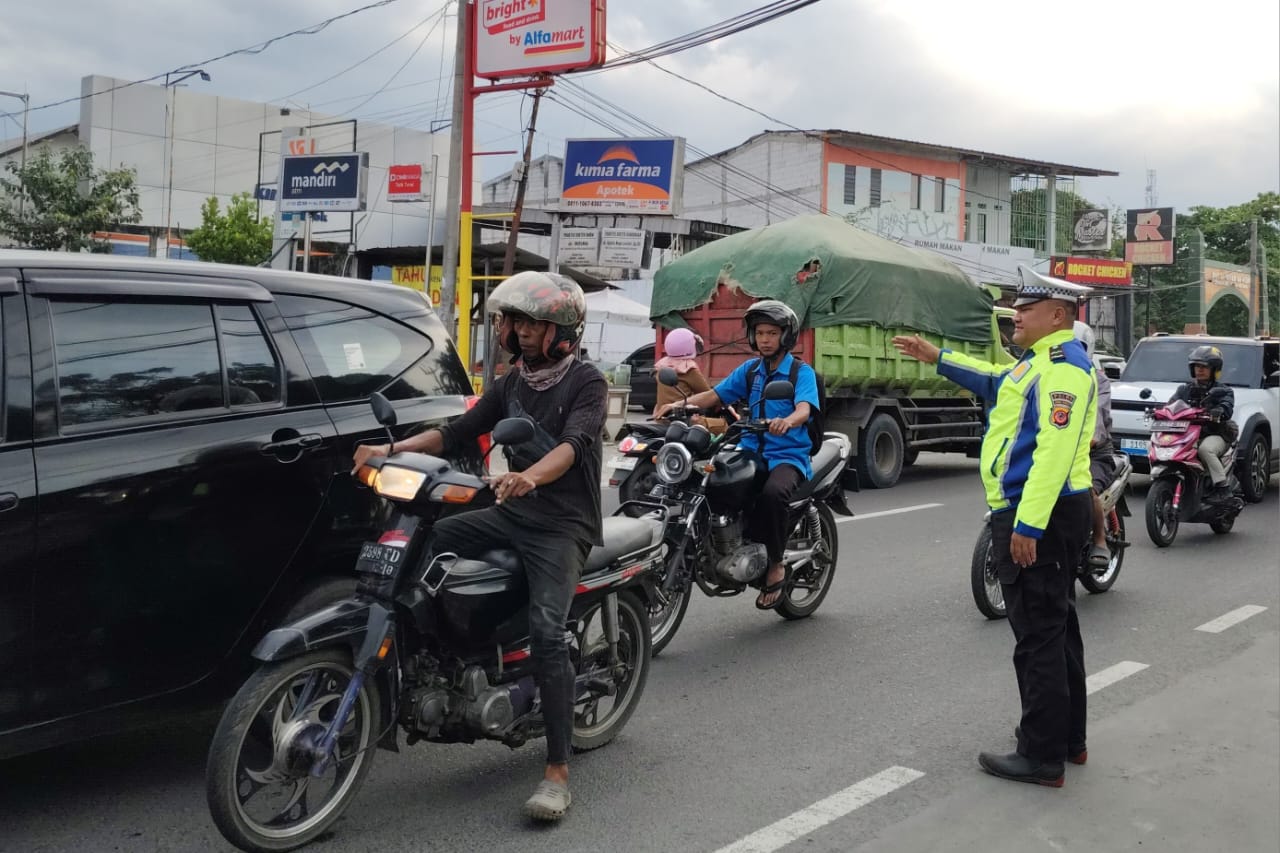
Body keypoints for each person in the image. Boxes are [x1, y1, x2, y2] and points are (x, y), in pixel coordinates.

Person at [352, 271, 607, 822]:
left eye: (525, 323)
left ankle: (557, 773)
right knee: (429, 540)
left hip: (563, 524)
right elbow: (457, 432)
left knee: (547, 631)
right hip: (512, 510)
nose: (513, 332)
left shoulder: (588, 382)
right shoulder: (514, 381)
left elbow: (573, 446)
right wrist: (389, 448)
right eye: (511, 322)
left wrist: (531, 477)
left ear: (560, 330)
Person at [892, 265, 1097, 788]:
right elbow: (992, 381)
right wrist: (937, 357)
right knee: (1058, 625)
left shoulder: (1064, 368)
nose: (1014, 319)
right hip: (1047, 509)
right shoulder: (1036, 364)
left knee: (1037, 637)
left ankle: (1041, 754)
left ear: (1057, 315)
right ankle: (1067, 738)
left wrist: (1027, 525)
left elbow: (1052, 453)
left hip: (1039, 511)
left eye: (1024, 311)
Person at [654, 299, 819, 610]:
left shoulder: (800, 372)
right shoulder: (751, 370)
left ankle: (775, 565)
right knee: (716, 481)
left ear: (785, 336)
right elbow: (716, 395)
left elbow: (804, 408)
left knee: (772, 494)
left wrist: (788, 421)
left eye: (772, 333)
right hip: (750, 448)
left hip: (788, 454)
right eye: (760, 333)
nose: (765, 339)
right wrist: (679, 405)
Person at [1169, 344, 1236, 503]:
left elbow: (1227, 407)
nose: (1200, 370)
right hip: (1188, 434)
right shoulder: (1184, 390)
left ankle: (1222, 487)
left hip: (1215, 433)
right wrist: (1159, 411)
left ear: (1214, 369)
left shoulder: (1224, 390)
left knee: (1206, 449)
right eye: (1197, 366)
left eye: (1205, 366)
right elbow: (1171, 405)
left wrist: (1219, 410)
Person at [1074, 321, 1115, 569]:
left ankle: (1100, 540)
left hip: (1093, 453)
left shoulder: (1098, 381)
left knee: (1086, 490)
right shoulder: (1047, 374)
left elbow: (1097, 416)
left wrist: (1091, 438)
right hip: (1054, 452)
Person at [652, 327, 726, 434]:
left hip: (662, 417)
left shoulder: (661, 367)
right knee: (725, 425)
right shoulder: (687, 369)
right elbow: (708, 394)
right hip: (684, 418)